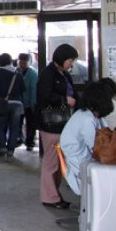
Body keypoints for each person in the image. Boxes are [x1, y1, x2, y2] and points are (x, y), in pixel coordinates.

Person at [36, 43, 79, 210]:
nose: (71, 63)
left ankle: (54, 195)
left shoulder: (64, 74)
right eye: (70, 60)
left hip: (62, 123)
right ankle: (50, 197)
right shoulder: (48, 74)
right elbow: (44, 96)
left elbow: (72, 93)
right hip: (51, 124)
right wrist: (64, 100)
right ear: (61, 59)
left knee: (57, 161)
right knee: (51, 162)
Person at [60, 81, 114, 195]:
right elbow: (96, 146)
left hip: (84, 156)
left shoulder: (91, 115)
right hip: (79, 158)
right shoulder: (86, 119)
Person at [0, 53, 24, 158]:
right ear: (10, 61)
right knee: (14, 128)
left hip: (2, 103)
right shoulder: (18, 73)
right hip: (17, 104)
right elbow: (23, 88)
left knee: (0, 126)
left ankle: (2, 148)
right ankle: (11, 150)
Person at [18, 53, 38, 150]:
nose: (22, 64)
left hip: (29, 103)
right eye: (21, 62)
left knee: (30, 124)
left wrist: (33, 103)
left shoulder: (33, 73)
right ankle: (19, 139)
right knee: (18, 122)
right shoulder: (16, 72)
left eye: (24, 62)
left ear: (28, 62)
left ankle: (30, 142)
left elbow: (34, 89)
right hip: (18, 103)